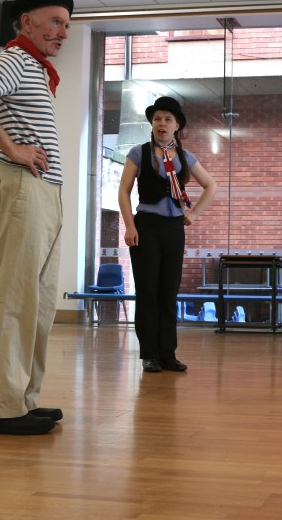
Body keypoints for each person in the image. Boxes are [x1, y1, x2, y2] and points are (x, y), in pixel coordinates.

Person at [0, 0, 73, 435]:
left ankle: (22, 399)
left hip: (45, 191)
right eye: (55, 21)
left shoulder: (38, 70)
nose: (63, 32)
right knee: (14, 297)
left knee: (39, 302)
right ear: (27, 22)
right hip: (23, 186)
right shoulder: (16, 59)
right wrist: (12, 148)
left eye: (67, 24)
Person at [118, 96, 217, 373]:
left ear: (177, 126)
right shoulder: (139, 153)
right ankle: (149, 354)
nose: (162, 123)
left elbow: (211, 185)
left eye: (168, 119)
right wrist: (130, 226)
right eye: (157, 119)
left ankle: (167, 353)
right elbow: (123, 191)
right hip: (146, 226)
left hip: (174, 228)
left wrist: (194, 213)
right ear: (152, 124)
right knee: (148, 291)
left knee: (168, 292)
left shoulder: (185, 157)